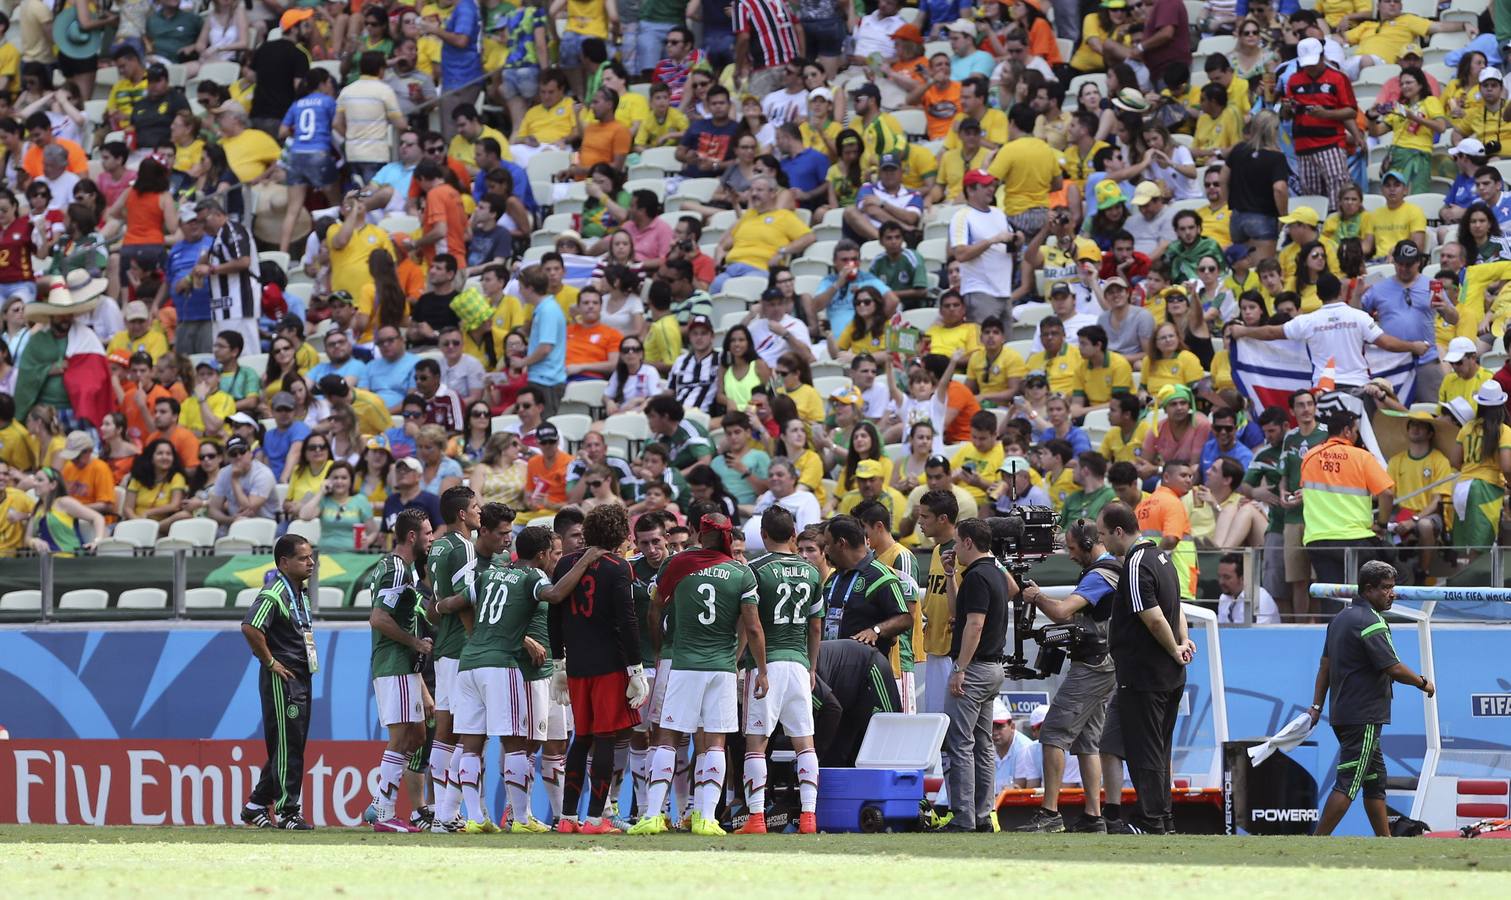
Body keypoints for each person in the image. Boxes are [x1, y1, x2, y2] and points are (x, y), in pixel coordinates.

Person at [444, 518, 603, 832]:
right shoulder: (533, 576)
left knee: (471, 744)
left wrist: (437, 606)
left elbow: (456, 602)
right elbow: (555, 594)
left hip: (469, 662)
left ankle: (475, 818)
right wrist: (586, 560)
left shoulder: (489, 574)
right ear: (542, 554)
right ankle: (520, 818)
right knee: (517, 744)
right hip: (502, 665)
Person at [628, 512, 761, 837]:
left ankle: (653, 815)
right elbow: (752, 626)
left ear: (699, 534)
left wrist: (659, 649)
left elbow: (655, 609)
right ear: (728, 536)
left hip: (683, 663)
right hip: (721, 667)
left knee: (667, 738)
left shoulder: (677, 564)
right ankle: (706, 818)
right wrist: (747, 661)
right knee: (714, 741)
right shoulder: (740, 572)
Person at [1305, 560, 1435, 836]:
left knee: (1375, 780)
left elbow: (1324, 667)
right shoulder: (1371, 622)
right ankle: (1316, 842)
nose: (1392, 593)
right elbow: (1393, 667)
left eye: (1392, 587)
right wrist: (1423, 683)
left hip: (1343, 713)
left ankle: (1384, 842)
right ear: (1368, 589)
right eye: (1386, 588)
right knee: (1348, 782)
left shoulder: (1339, 619)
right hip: (1363, 716)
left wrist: (1316, 706)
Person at [548, 503, 648, 835]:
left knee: (581, 739)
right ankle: (595, 819)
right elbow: (627, 622)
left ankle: (567, 817)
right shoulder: (619, 567)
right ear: (620, 533)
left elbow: (554, 615)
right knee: (604, 740)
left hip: (577, 665)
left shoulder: (565, 562)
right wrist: (635, 669)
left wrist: (558, 662)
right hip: (609, 665)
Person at [1017, 517, 1120, 833]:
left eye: (1073, 549)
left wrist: (1037, 597)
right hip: (1104, 663)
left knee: (1052, 734)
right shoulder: (1107, 570)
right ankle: (1093, 817)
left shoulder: (1100, 574)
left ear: (1088, 544)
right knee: (1088, 741)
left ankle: (1050, 813)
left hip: (1092, 665)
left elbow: (1062, 612)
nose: (1071, 555)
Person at [1099, 501, 1193, 835]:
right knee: (1159, 748)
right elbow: (1177, 609)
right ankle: (1163, 818)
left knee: (1146, 750)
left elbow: (1152, 618)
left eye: (1103, 534)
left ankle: (1149, 820)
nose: (1101, 541)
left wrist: (1174, 648)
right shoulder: (1163, 559)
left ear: (1119, 531)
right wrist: (1183, 641)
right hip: (1166, 675)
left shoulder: (1136, 564)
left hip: (1145, 674)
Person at [728, 506, 823, 835]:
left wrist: (748, 664)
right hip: (799, 664)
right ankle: (809, 816)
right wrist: (812, 667)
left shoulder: (754, 570)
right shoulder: (812, 572)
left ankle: (756, 817)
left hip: (766, 664)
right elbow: (816, 626)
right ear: (793, 535)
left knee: (756, 743)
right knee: (805, 743)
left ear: (763, 535)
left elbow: (750, 625)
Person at [237, 533, 317, 830]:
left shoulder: (300, 593)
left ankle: (256, 805)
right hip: (282, 679)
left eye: (311, 556)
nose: (311, 562)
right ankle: (288, 811)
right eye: (303, 558)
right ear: (284, 562)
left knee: (289, 744)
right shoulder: (274, 594)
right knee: (288, 746)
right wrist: (270, 662)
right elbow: (250, 627)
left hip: (300, 675)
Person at [363, 507, 436, 832]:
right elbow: (378, 618)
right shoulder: (396, 570)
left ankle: (380, 801)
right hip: (393, 663)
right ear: (412, 536)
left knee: (418, 734)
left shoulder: (398, 568)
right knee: (402, 736)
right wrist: (414, 642)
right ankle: (384, 812)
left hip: (403, 666)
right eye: (428, 533)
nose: (431, 538)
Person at [937, 517, 1011, 833]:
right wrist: (950, 575)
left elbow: (974, 624)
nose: (954, 548)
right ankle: (982, 815)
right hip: (993, 668)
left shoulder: (979, 576)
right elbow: (961, 613)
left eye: (957, 541)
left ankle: (963, 817)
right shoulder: (993, 572)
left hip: (975, 669)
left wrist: (960, 669)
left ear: (968, 542)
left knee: (959, 743)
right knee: (981, 744)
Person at [1216, 552, 1280, 624]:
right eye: (1219, 576)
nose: (1221, 582)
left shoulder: (1259, 598)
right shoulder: (1224, 598)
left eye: (1227, 577)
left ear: (1243, 578)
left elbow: (1260, 630)